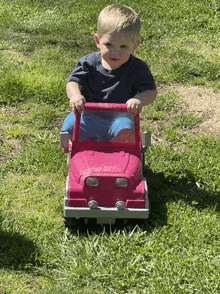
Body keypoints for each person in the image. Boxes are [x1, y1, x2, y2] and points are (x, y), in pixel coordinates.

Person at [61, 4, 157, 147]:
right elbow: (73, 82)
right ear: (97, 41)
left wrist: (138, 99)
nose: (115, 52)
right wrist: (75, 95)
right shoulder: (88, 63)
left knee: (125, 130)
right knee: (69, 126)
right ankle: (79, 147)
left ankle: (121, 148)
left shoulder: (137, 67)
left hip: (120, 116)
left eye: (123, 47)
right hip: (88, 114)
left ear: (135, 46)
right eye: (109, 45)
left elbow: (151, 92)